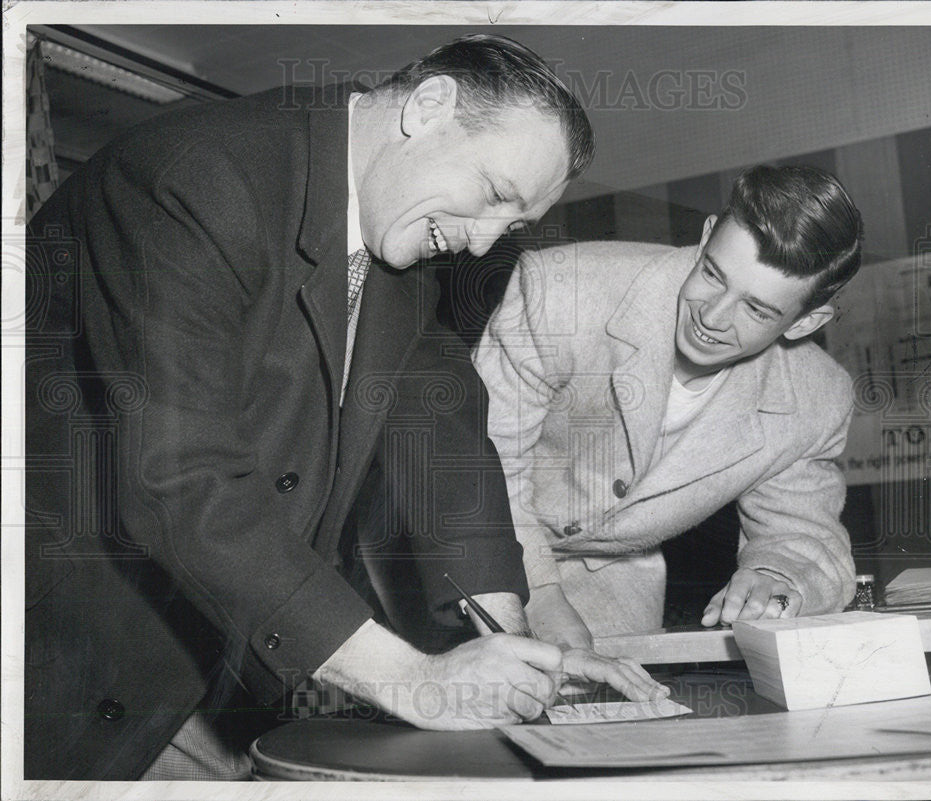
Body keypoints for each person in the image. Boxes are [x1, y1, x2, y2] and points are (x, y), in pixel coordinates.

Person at [24, 34, 665, 781]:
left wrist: (514, 637)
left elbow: (444, 428)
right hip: (73, 643)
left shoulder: (399, 227)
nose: (482, 239)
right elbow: (181, 475)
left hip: (232, 646)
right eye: (494, 194)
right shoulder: (195, 176)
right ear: (428, 107)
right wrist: (416, 679)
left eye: (512, 226)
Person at [473, 165, 863, 649]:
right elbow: (478, 465)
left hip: (614, 584)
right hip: (469, 543)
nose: (713, 317)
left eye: (757, 310)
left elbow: (805, 535)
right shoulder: (562, 289)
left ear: (805, 322)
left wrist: (775, 576)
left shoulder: (816, 397)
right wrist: (541, 596)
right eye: (713, 275)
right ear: (703, 241)